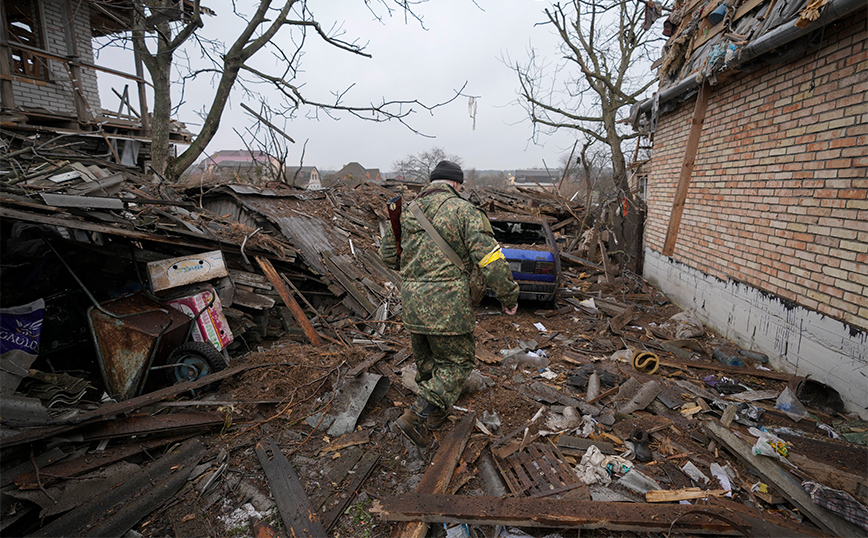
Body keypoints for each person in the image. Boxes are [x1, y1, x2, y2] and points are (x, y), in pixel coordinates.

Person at [379, 160, 519, 447]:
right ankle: (416, 416)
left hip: (414, 305)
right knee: (458, 362)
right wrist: (508, 295)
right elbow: (491, 259)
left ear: (433, 182)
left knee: (429, 363)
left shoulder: (407, 213)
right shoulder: (464, 211)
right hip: (449, 306)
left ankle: (435, 415)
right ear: (456, 184)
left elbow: (389, 258)